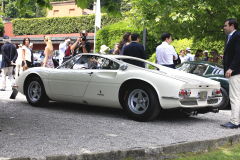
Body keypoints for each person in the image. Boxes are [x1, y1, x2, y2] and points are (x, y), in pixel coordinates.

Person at [220, 18, 240, 129]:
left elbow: (239, 54)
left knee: (235, 97)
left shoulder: (236, 36)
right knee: (238, 97)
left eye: (225, 25)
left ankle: (234, 122)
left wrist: (231, 68)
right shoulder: (233, 37)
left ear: (232, 26)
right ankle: (237, 120)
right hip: (237, 72)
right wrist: (225, 57)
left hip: (236, 72)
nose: (224, 28)